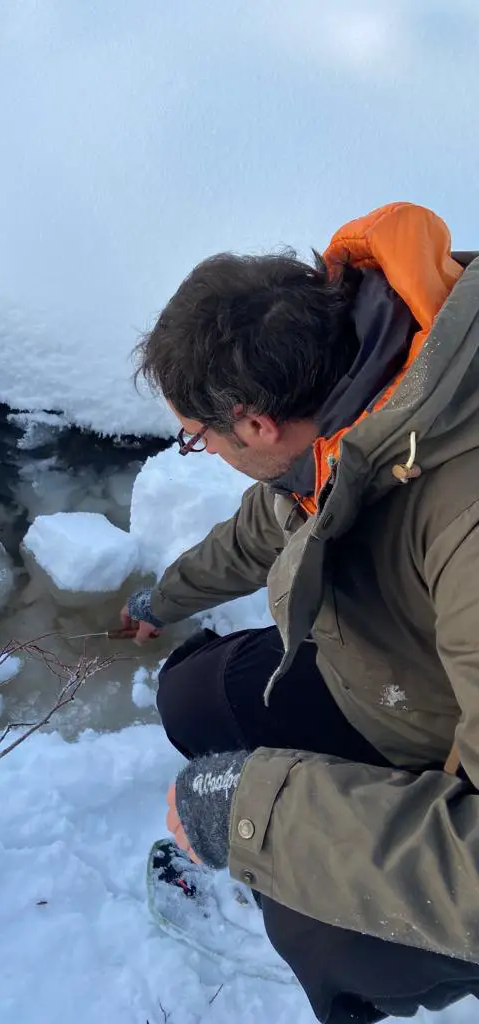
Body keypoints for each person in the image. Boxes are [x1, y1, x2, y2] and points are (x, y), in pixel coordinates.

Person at [122, 202, 479, 1023]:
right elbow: (267, 523)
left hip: (454, 764)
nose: (204, 452)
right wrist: (162, 600)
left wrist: (257, 815)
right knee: (192, 697)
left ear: (253, 423)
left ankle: (339, 968)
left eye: (195, 437)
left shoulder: (464, 519)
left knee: (316, 925)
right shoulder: (347, 395)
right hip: (397, 685)